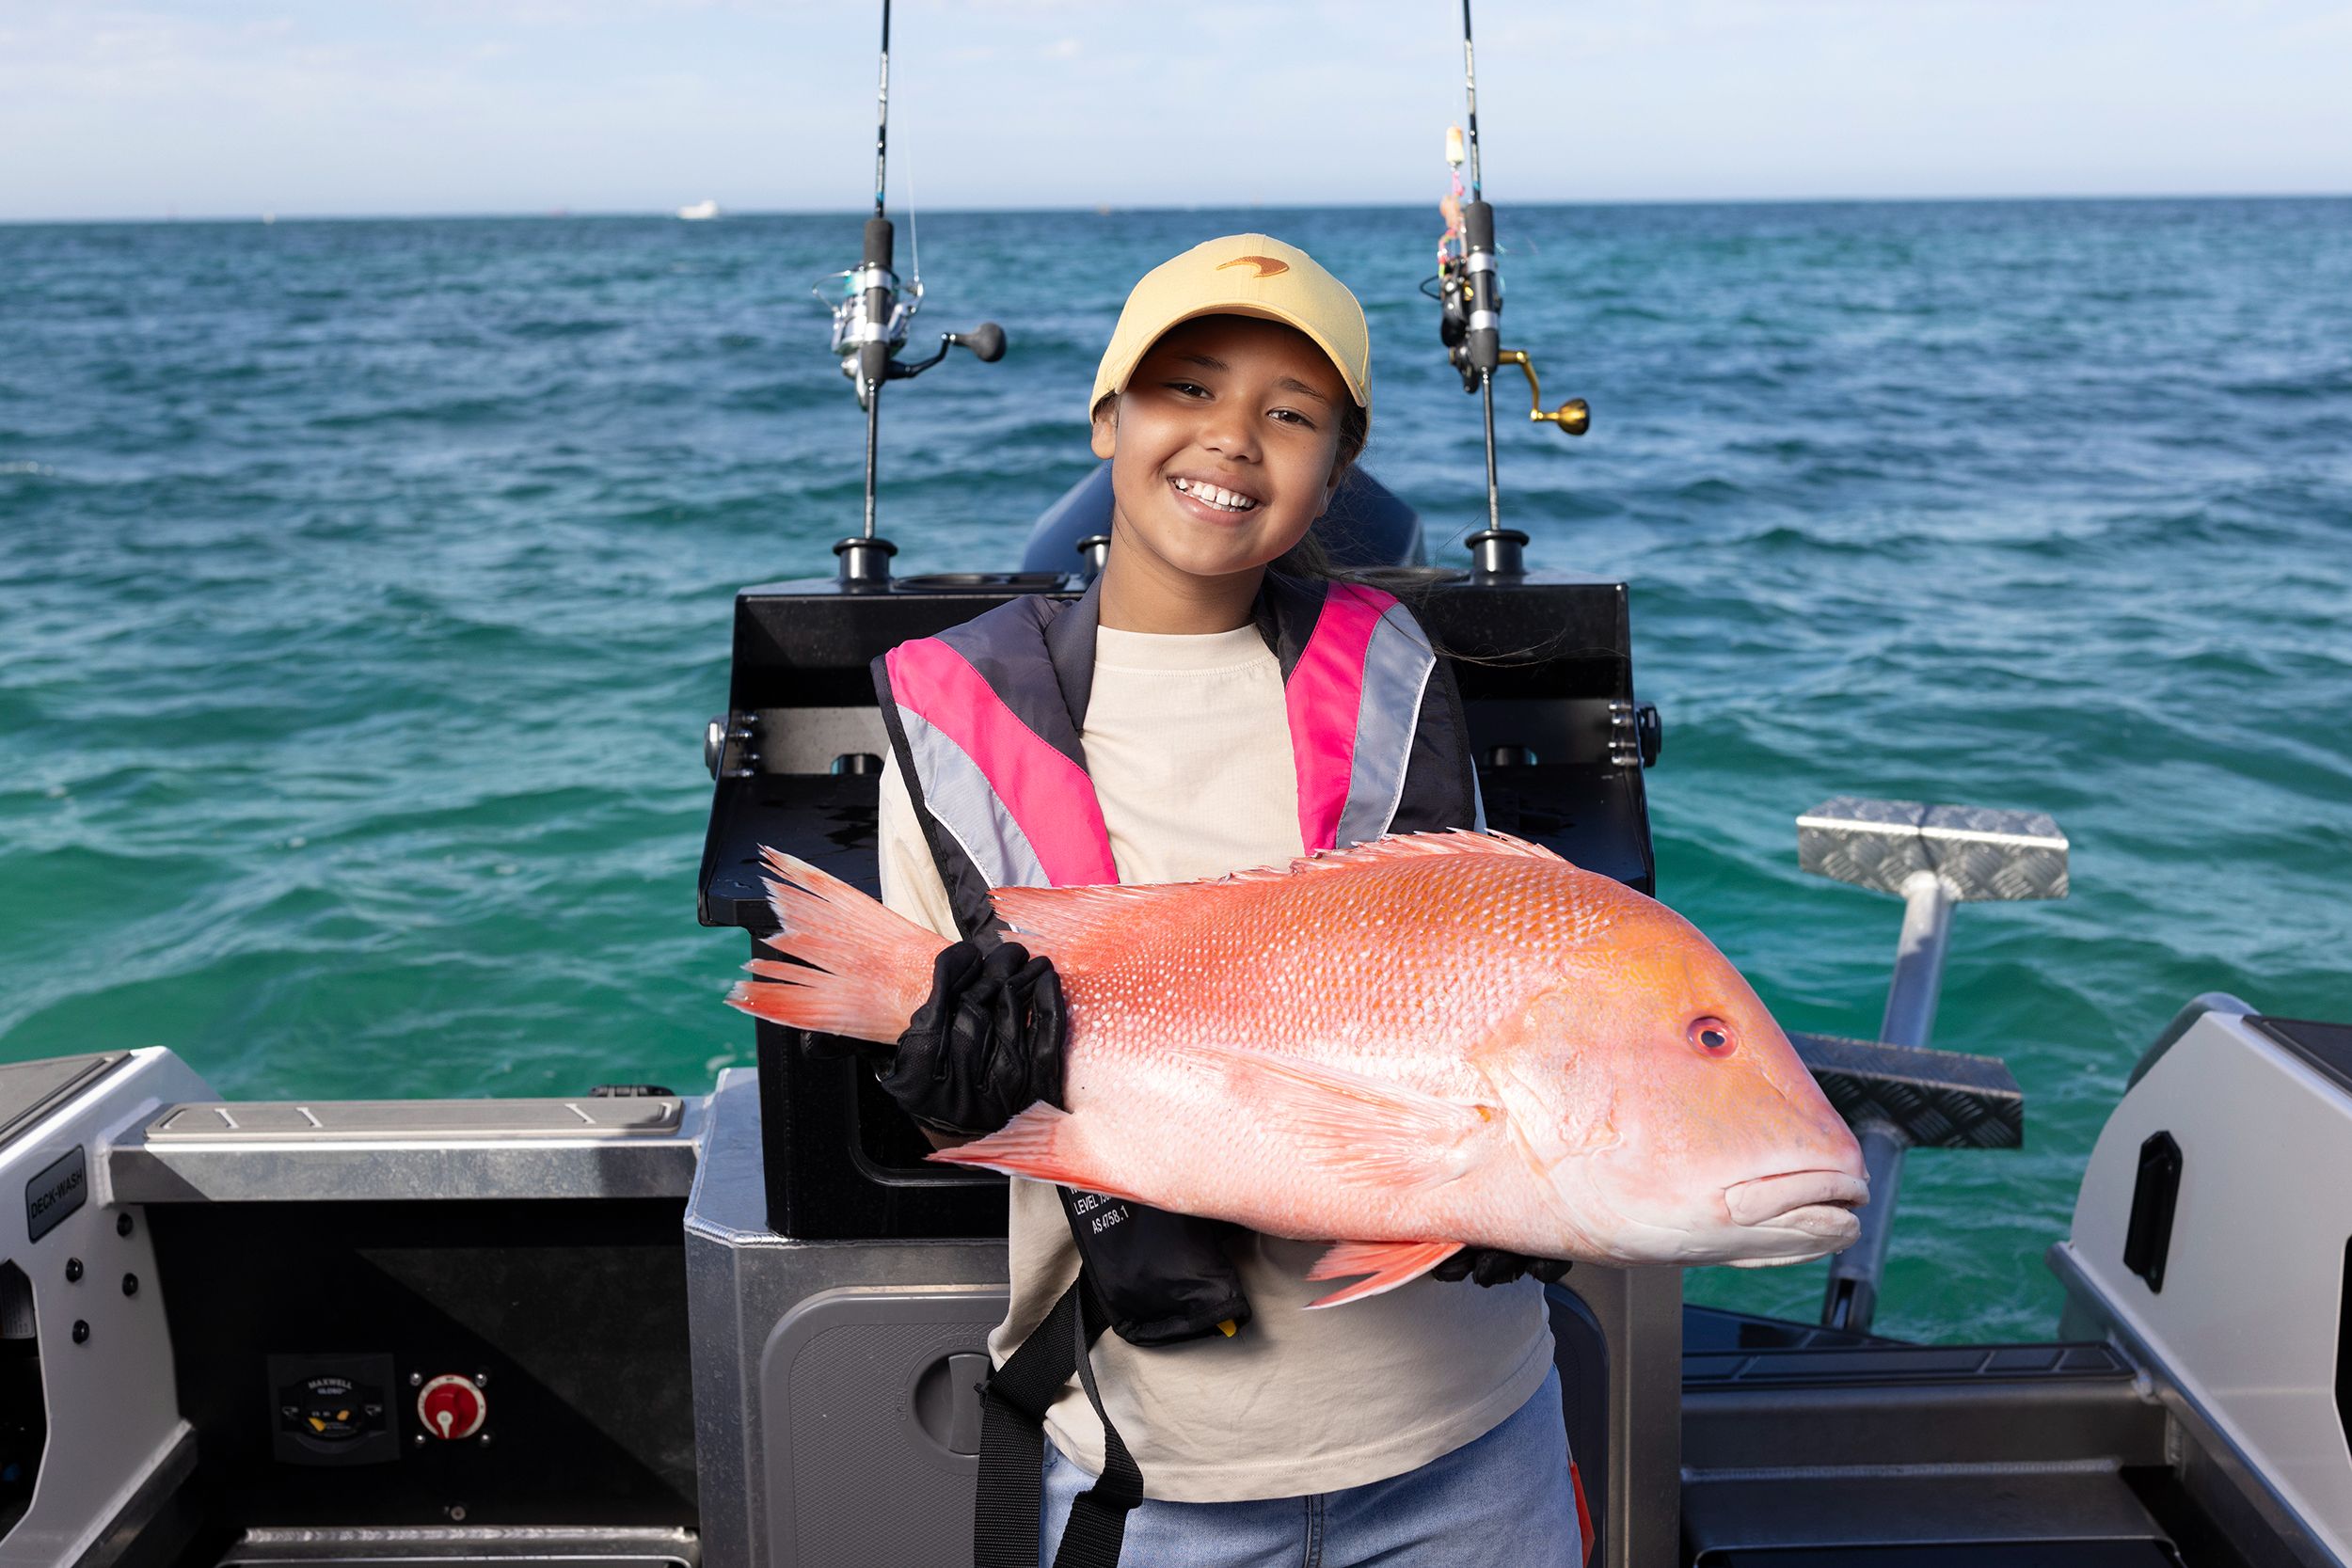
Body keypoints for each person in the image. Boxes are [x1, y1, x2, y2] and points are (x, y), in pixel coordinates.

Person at [859, 234, 1583, 1567]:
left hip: (1473, 1436)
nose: (1234, 439)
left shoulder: (1399, 683)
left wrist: (1539, 1175)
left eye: (1291, 414)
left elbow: (1488, 993)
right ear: (1108, 417)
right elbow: (923, 1062)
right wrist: (941, 1083)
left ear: (1338, 469)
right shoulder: (951, 717)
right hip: (1155, 1468)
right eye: (1188, 387)